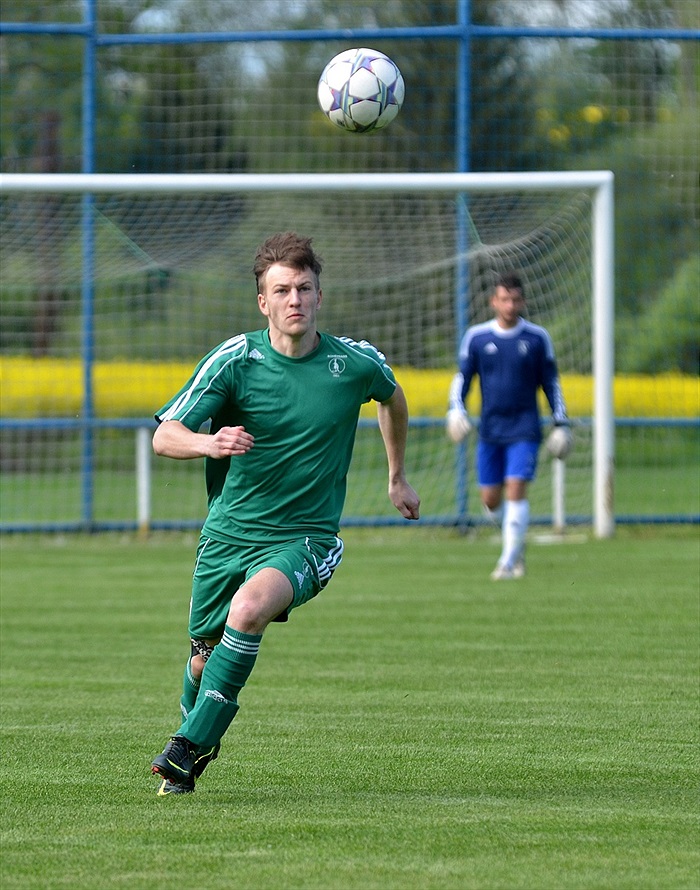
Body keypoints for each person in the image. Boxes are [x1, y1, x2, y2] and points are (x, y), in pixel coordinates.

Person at [150, 231, 420, 795]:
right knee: (202, 661)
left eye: (304, 288)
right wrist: (209, 443)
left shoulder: (354, 364)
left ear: (320, 295)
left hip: (306, 539)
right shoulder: (235, 360)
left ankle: (186, 745)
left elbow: (392, 398)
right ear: (263, 302)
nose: (294, 299)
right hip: (227, 535)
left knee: (248, 611)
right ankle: (194, 741)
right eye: (282, 290)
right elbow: (164, 436)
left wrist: (397, 476)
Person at [446, 272, 571, 580]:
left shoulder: (537, 338)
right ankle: (515, 545)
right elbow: (462, 380)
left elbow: (551, 383)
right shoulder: (477, 338)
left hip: (525, 428)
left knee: (516, 488)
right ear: (494, 302)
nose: (510, 305)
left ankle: (507, 562)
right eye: (504, 299)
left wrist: (561, 423)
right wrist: (455, 411)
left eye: (515, 300)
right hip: (490, 430)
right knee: (490, 500)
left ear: (523, 301)